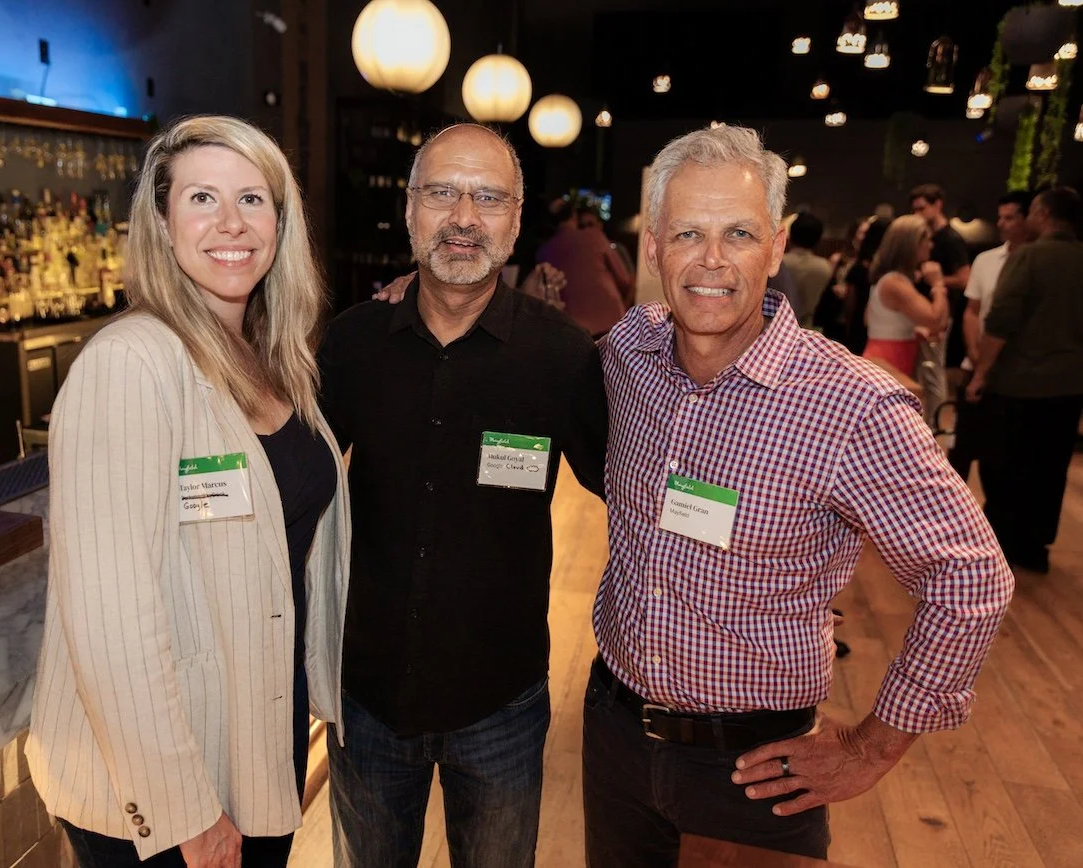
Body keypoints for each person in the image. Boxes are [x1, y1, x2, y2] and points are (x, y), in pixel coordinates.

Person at [585, 124, 1014, 866]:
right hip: (613, 739)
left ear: (776, 248)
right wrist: (437, 296)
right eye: (687, 232)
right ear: (653, 247)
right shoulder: (630, 352)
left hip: (755, 772)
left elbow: (971, 577)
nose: (711, 260)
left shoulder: (851, 407)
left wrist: (874, 745)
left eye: (739, 234)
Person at [24, 116, 350, 868]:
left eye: (254, 200)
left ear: (282, 222)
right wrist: (184, 810)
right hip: (169, 782)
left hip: (250, 746)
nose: (231, 223)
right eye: (202, 198)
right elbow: (109, 614)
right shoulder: (131, 363)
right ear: (162, 223)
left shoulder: (272, 358)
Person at [318, 123, 607, 868]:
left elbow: (627, 485)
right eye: (442, 193)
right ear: (410, 209)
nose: (464, 217)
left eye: (488, 198)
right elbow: (294, 488)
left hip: (500, 699)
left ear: (516, 220)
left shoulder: (561, 356)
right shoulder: (351, 344)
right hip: (369, 696)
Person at [969, 186, 1083, 573]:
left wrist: (981, 373)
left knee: (1004, 464)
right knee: (1051, 467)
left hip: (1018, 382)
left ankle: (1001, 543)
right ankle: (1036, 546)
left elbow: (1001, 320)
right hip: (1069, 387)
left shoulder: (1029, 257)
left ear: (1044, 214)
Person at [949, 191, 1034, 480]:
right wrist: (976, 355)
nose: (1001, 223)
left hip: (1014, 372)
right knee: (961, 448)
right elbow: (972, 311)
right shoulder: (986, 259)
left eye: (1009, 217)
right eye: (1000, 217)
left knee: (999, 462)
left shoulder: (1035, 261)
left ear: (1029, 219)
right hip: (976, 365)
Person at [860, 215, 949, 389]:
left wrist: (909, 330)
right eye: (928, 240)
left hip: (888, 352)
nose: (931, 245)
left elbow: (868, 319)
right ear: (913, 244)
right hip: (890, 357)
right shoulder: (895, 283)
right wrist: (938, 284)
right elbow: (936, 321)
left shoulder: (889, 279)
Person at [536, 201, 632, 336]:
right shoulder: (595, 236)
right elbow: (624, 280)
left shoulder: (544, 252)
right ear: (574, 216)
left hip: (571, 330)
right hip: (611, 323)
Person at [910, 183, 971, 368]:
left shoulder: (951, 239)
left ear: (937, 205)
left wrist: (933, 279)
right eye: (914, 210)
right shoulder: (927, 235)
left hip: (942, 311)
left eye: (922, 208)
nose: (917, 214)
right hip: (924, 309)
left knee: (932, 367)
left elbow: (964, 279)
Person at [840, 216, 890, 355]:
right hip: (881, 331)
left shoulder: (859, 268)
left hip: (858, 329)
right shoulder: (889, 272)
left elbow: (849, 305)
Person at [781, 212, 833, 326]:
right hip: (809, 326)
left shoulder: (778, 263)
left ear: (791, 236)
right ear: (818, 240)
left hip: (776, 324)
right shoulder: (825, 267)